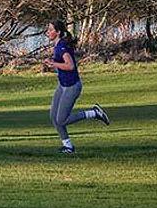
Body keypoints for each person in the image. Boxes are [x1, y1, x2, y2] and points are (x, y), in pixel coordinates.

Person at [42, 20, 109, 154]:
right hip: (62, 86)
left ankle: (94, 113)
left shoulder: (62, 47)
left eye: (50, 30)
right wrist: (52, 65)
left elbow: (70, 66)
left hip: (72, 87)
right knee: (54, 117)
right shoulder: (57, 46)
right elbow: (62, 66)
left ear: (58, 32)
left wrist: (54, 64)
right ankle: (68, 146)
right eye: (47, 29)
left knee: (62, 120)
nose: (47, 32)